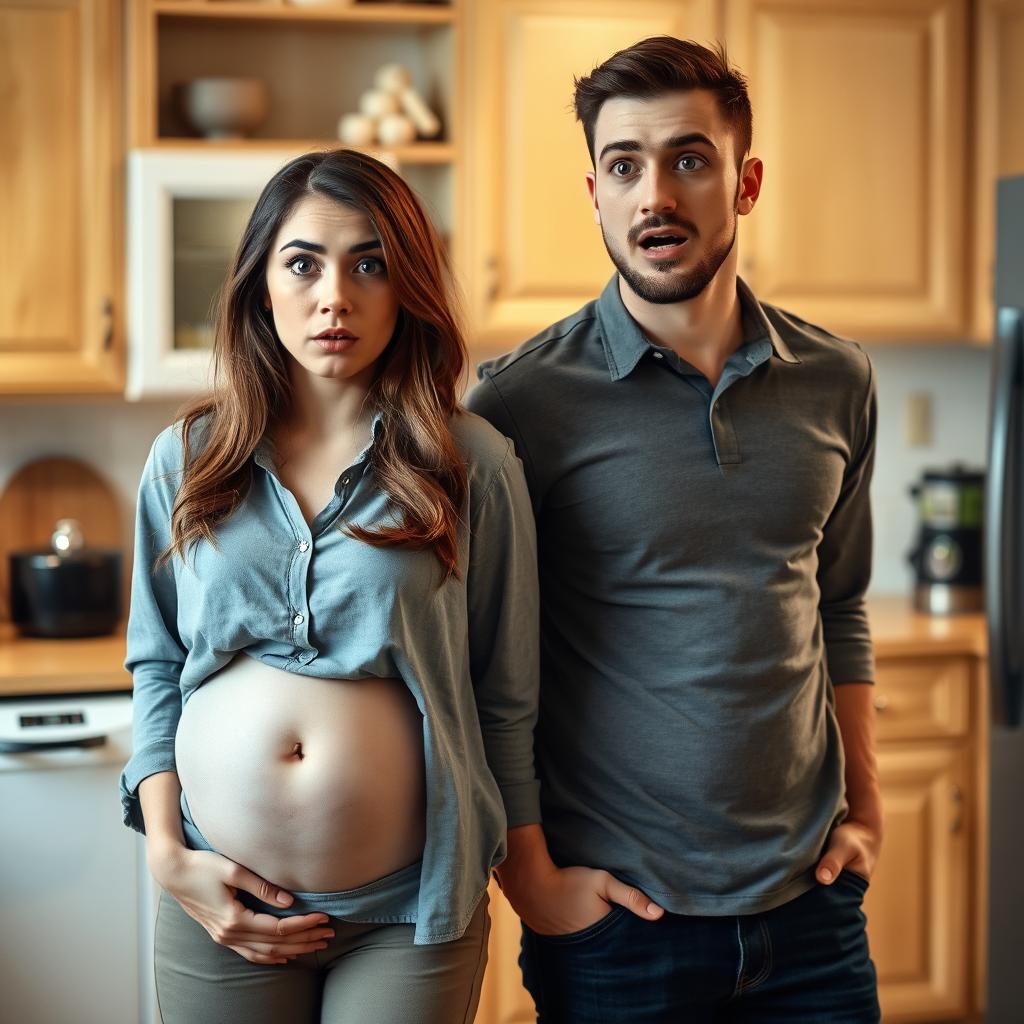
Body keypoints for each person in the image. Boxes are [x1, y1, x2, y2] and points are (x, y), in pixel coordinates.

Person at [465, 36, 882, 1023]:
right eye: (624, 166)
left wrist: (864, 810)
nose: (654, 194)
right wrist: (529, 874)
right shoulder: (518, 404)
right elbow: (494, 665)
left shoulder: (837, 381)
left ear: (745, 182)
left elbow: (838, 606)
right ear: (595, 191)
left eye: (688, 159)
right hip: (621, 926)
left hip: (812, 915)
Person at [119, 147, 540, 1024]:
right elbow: (157, 667)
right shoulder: (187, 462)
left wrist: (528, 871)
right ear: (260, 285)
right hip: (219, 897)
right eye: (303, 263)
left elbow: (504, 698)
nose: (333, 297)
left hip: (409, 912)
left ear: (408, 287)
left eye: (370, 264)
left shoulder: (473, 466)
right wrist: (166, 854)